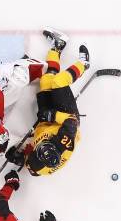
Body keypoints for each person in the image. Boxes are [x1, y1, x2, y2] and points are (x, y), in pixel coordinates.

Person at [6, 27, 90, 176]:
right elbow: (71, 123)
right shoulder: (64, 143)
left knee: (46, 80)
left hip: (46, 123)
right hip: (67, 117)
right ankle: (83, 65)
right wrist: (52, 116)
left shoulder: (37, 166)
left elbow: (29, 165)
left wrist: (19, 158)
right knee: (58, 82)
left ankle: (57, 47)